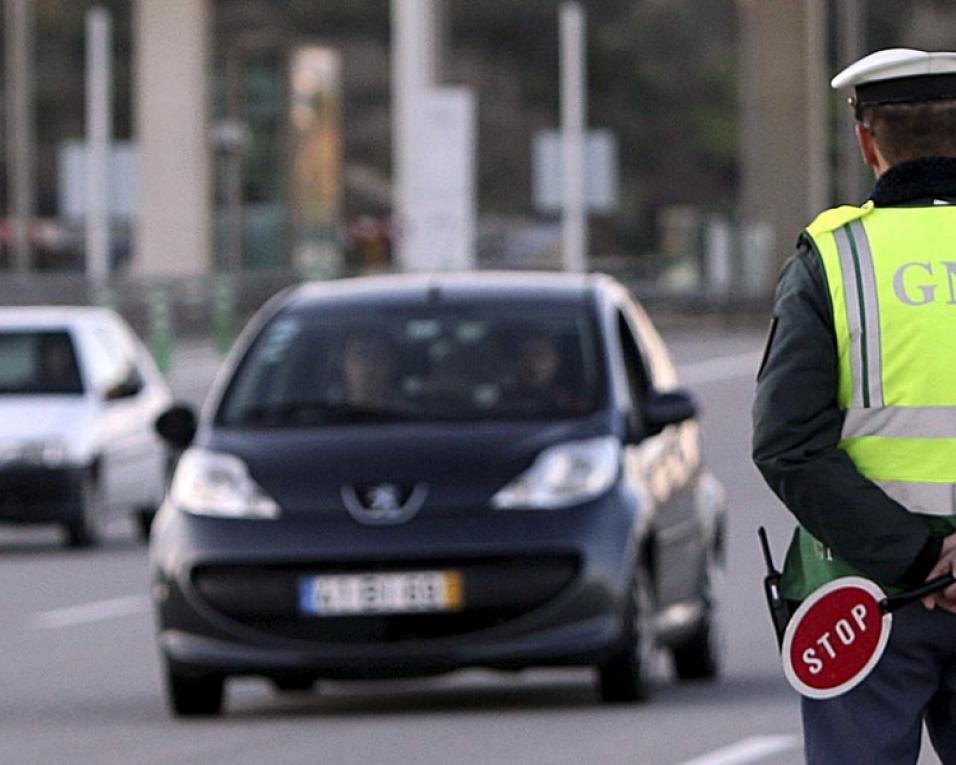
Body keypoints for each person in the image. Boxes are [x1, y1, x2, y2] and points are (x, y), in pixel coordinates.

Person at [752, 48, 956, 764]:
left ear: (868, 143)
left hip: (867, 600)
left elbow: (786, 445)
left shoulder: (833, 261)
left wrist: (924, 557)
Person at [340, 331, 396, 408]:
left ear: (390, 364)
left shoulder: (407, 413)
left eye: (377, 355)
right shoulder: (324, 410)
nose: (369, 365)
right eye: (359, 354)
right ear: (343, 363)